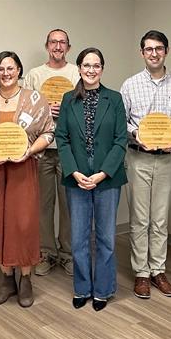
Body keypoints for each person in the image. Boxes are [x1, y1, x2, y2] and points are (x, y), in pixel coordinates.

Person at [0, 51, 53, 308]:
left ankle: (25, 279)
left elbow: (48, 131)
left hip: (23, 169)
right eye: (1, 69)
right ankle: (6, 280)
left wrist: (29, 150)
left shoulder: (35, 99)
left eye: (10, 68)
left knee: (23, 223)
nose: (6, 73)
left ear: (19, 71)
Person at [55, 47, 127, 311]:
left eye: (96, 65)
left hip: (107, 179)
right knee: (79, 238)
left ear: (102, 69)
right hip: (77, 179)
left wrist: (102, 173)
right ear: (79, 68)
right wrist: (74, 171)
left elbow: (121, 140)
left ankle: (103, 289)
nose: (91, 70)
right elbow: (61, 138)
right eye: (87, 65)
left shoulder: (115, 99)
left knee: (106, 237)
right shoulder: (67, 99)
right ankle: (82, 288)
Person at [120, 30, 171, 299]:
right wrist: (136, 134)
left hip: (167, 160)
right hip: (138, 157)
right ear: (142, 53)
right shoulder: (130, 85)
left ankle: (158, 270)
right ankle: (141, 273)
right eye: (148, 49)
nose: (154, 53)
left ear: (167, 51)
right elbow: (122, 122)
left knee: (159, 219)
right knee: (139, 219)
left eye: (159, 48)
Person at [23, 28, 79, 277]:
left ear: (68, 47)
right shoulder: (35, 75)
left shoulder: (77, 72)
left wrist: (65, 110)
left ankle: (67, 254)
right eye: (53, 42)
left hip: (70, 149)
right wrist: (46, 109)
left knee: (69, 205)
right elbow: (24, 109)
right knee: (43, 205)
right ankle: (46, 252)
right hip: (42, 150)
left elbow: (86, 107)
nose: (57, 46)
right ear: (47, 46)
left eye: (62, 42)